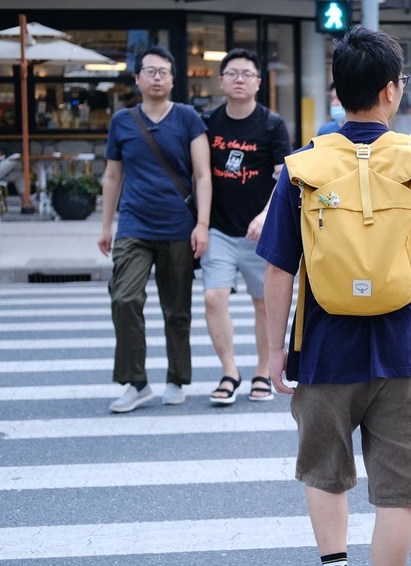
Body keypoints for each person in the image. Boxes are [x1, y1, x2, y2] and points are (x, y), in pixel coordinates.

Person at [256, 27, 411, 566]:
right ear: (389, 91)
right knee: (396, 495)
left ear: (338, 91)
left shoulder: (303, 167)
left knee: (325, 473)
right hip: (408, 351)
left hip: (326, 350)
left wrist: (273, 351)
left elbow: (279, 270)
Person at [98, 46, 210, 414]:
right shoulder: (122, 121)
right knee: (125, 298)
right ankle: (136, 382)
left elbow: (202, 174)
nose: (157, 77)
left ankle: (177, 378)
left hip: (178, 226)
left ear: (173, 79)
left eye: (164, 71)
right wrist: (106, 225)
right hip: (133, 224)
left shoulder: (188, 117)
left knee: (176, 309)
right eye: (150, 71)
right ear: (137, 78)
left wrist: (202, 224)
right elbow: (113, 175)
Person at [202, 48, 292, 405]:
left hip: (259, 231)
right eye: (233, 73)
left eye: (247, 74)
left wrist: (265, 215)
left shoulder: (271, 124)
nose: (239, 79)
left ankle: (260, 371)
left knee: (263, 305)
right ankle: (229, 371)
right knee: (213, 298)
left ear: (258, 83)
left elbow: (284, 177)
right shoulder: (208, 123)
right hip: (219, 230)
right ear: (221, 80)